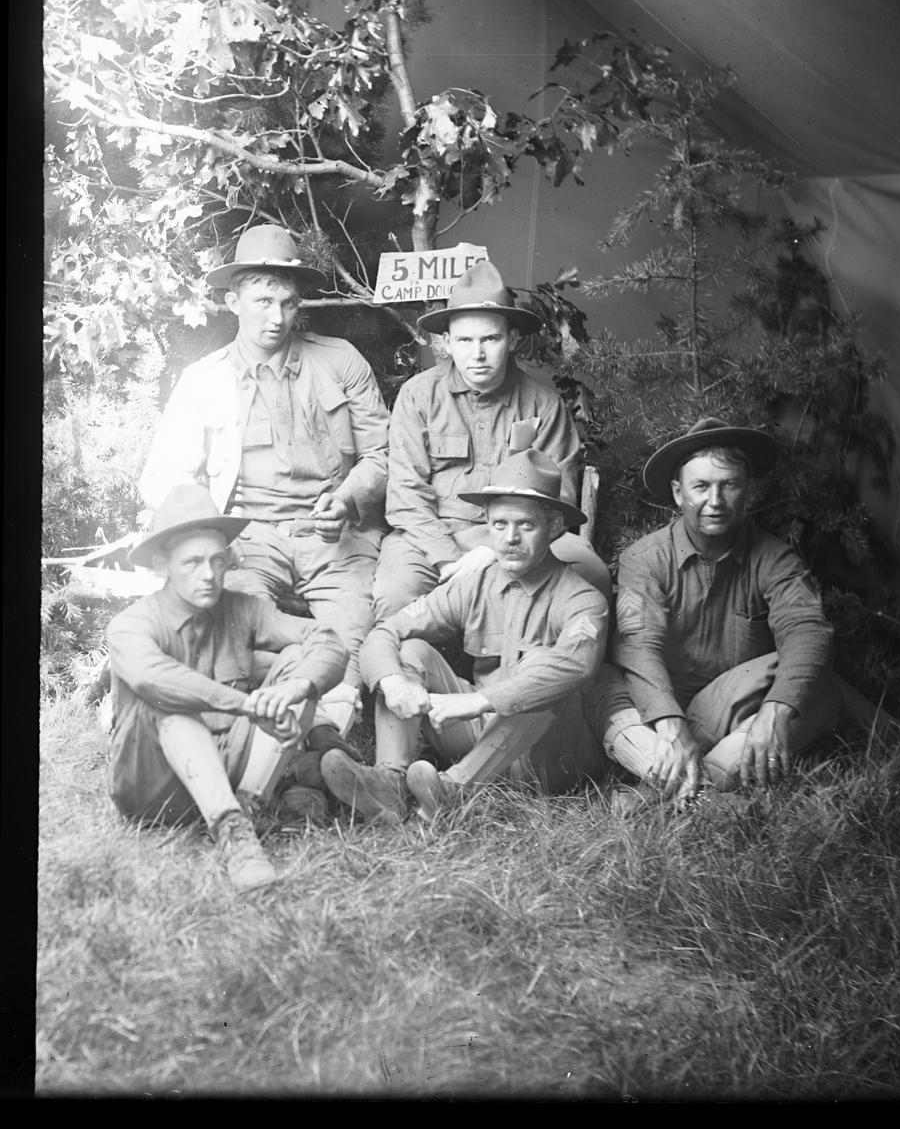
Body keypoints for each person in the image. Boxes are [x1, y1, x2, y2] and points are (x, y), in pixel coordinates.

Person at [138, 224, 391, 736]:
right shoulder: (204, 379)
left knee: (347, 638)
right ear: (233, 301)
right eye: (262, 301)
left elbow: (384, 454)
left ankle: (324, 742)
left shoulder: (340, 362)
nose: (276, 318)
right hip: (247, 539)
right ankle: (261, 737)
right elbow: (163, 474)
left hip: (334, 539)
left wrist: (346, 500)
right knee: (238, 624)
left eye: (289, 303)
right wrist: (212, 531)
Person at [320, 449, 621, 823]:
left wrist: (479, 700)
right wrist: (392, 680)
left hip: (552, 757)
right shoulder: (475, 585)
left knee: (543, 673)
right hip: (487, 736)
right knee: (408, 651)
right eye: (499, 525)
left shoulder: (580, 595)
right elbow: (386, 630)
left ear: (555, 526)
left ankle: (453, 791)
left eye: (525, 526)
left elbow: (576, 665)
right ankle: (390, 783)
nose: (509, 538)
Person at [107, 485, 350, 891]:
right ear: (163, 564)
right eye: (193, 562)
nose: (208, 574)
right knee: (171, 702)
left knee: (295, 665)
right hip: (154, 787)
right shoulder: (133, 623)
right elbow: (154, 678)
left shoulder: (243, 608)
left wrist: (296, 688)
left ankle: (248, 806)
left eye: (218, 560)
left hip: (228, 763)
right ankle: (234, 834)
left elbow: (326, 639)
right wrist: (247, 705)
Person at [602, 417, 843, 805]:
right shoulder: (644, 559)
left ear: (747, 491)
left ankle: (654, 796)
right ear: (679, 494)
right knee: (608, 683)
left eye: (728, 485)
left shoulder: (775, 558)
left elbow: (807, 630)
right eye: (701, 487)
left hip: (736, 707)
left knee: (811, 687)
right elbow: (638, 647)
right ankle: (711, 798)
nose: (715, 502)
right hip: (665, 707)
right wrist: (670, 723)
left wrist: (776, 710)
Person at [371, 259, 611, 620]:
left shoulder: (543, 405)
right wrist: (448, 558)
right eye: (465, 340)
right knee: (395, 595)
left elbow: (558, 499)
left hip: (522, 534)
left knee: (590, 574)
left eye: (491, 339)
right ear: (447, 343)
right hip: (430, 535)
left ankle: (545, 673)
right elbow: (406, 495)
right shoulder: (418, 396)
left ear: (512, 339)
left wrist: (496, 549)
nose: (478, 353)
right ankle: (404, 674)